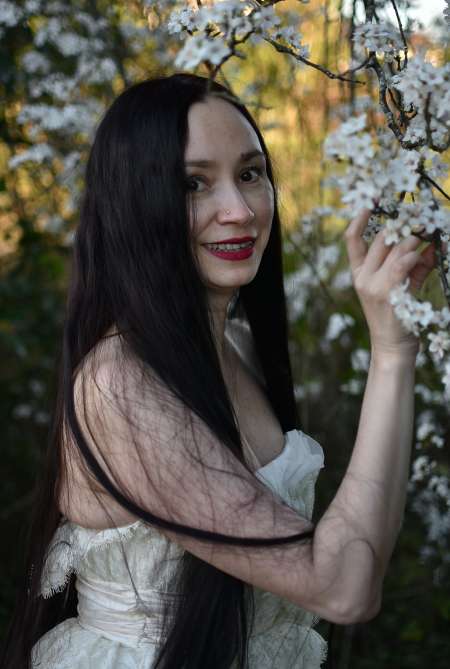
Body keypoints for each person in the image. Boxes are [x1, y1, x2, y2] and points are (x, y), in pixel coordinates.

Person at [0, 72, 437, 669]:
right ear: (133, 202)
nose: (239, 210)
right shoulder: (121, 386)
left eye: (251, 174)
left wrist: (398, 349)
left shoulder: (237, 345)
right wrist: (388, 354)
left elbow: (357, 569)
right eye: (193, 183)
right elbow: (342, 587)